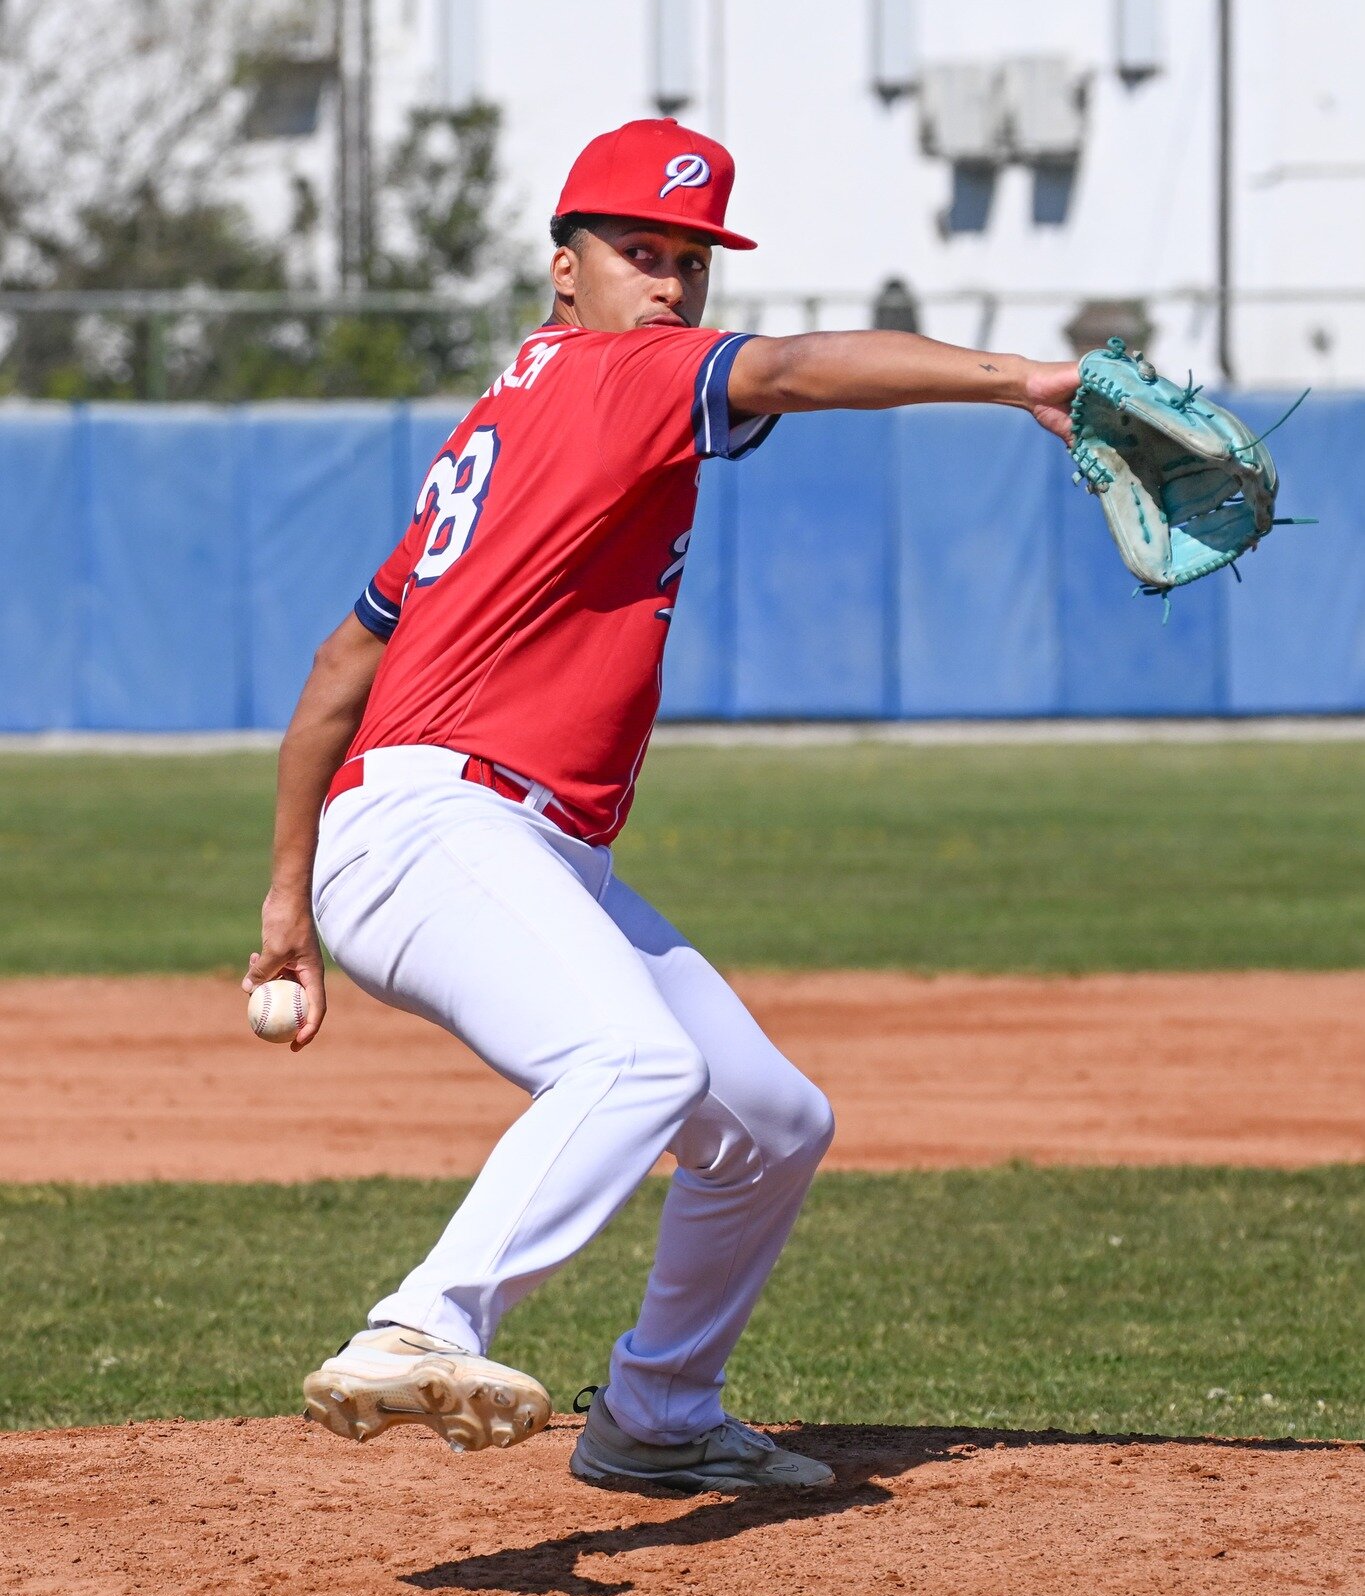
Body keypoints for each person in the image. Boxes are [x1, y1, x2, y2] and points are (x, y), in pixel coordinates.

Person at [244, 117, 1078, 1496]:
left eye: (690, 262)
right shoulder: (614, 374)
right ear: (561, 267)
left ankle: (656, 1417)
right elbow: (803, 368)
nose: (670, 287)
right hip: (437, 824)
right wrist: (1016, 377)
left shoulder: (510, 417)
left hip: (477, 838)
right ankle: (421, 1323)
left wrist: (285, 899)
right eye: (639, 252)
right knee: (635, 1064)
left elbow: (347, 663)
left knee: (768, 1123)